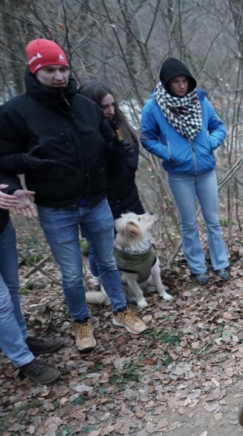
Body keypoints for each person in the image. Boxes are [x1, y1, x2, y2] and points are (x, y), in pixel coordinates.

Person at [0, 39, 147, 352]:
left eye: (63, 68)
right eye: (50, 70)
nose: (59, 76)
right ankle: (81, 321)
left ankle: (121, 311)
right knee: (70, 274)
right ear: (34, 71)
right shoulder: (16, 112)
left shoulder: (86, 107)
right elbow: (4, 157)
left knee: (107, 261)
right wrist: (27, 165)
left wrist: (115, 150)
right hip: (56, 207)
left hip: (96, 202)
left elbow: (108, 140)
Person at [140, 57, 230, 285]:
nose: (181, 86)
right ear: (167, 83)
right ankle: (198, 268)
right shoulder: (154, 107)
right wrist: (169, 153)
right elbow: (147, 138)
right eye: (176, 82)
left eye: (184, 81)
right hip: (179, 174)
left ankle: (221, 264)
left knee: (212, 220)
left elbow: (219, 127)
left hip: (206, 170)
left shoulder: (200, 101)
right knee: (189, 223)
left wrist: (209, 144)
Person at [79, 81, 145, 286]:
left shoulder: (122, 127)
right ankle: (101, 281)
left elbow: (130, 159)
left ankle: (138, 279)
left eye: (112, 105)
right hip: (100, 198)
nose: (110, 111)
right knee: (102, 245)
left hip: (127, 194)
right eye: (104, 107)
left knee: (137, 236)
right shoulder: (84, 133)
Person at [1, 177, 64, 384]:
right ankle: (23, 360)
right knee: (1, 303)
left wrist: (12, 190)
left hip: (2, 228)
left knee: (12, 289)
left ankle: (23, 339)